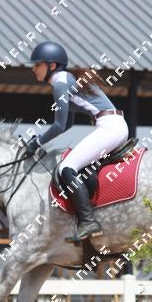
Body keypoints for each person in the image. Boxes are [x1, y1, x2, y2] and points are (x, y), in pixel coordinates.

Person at [24, 41, 128, 241]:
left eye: (37, 64)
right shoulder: (65, 80)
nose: (33, 69)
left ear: (52, 65)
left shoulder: (60, 83)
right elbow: (68, 125)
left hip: (110, 127)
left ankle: (88, 222)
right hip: (113, 125)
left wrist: (37, 143)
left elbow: (59, 125)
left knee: (66, 168)